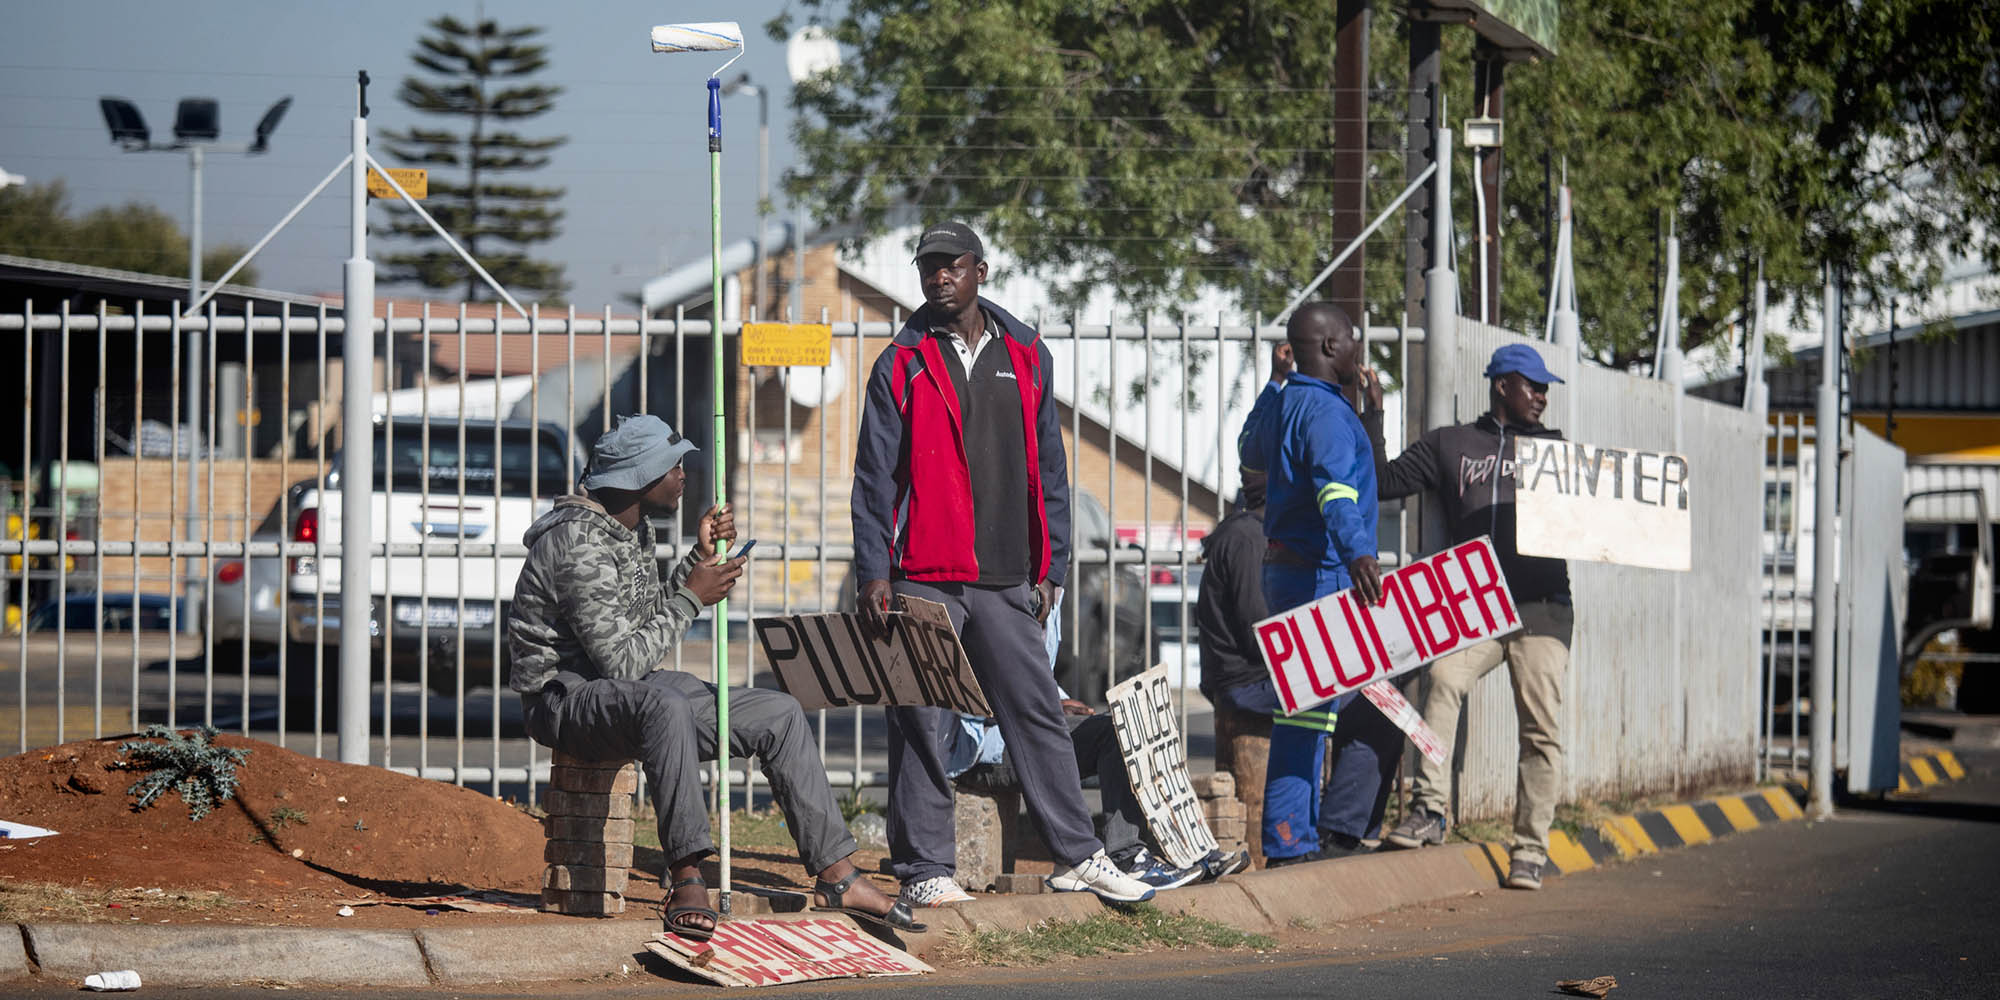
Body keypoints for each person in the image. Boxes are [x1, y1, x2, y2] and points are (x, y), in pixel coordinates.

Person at [508, 414, 923, 941]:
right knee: (666, 706)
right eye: (673, 464)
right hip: (566, 698)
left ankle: (837, 874)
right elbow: (623, 662)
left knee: (779, 713)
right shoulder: (578, 543)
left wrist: (696, 565)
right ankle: (686, 876)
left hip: (628, 690)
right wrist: (693, 597)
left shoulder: (630, 528)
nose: (684, 473)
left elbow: (640, 624)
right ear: (640, 476)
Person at [851, 220, 1156, 906]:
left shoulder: (1023, 352)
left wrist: (1051, 569)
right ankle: (925, 870)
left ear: (979, 271)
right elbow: (873, 480)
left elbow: (1049, 466)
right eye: (927, 266)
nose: (937, 277)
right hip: (922, 572)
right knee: (920, 719)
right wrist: (875, 570)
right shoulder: (899, 363)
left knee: (1035, 710)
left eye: (950, 265)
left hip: (1005, 575)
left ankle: (1078, 855)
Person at [1367, 343, 1575, 892]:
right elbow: (1384, 482)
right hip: (1476, 609)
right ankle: (1430, 811)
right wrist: (1372, 416)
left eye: (1544, 386)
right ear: (1502, 384)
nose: (1541, 395)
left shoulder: (1556, 452)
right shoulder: (1452, 443)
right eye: (1531, 384)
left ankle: (1529, 850)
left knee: (1540, 728)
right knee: (1442, 679)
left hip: (1543, 609)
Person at [1238, 302, 1401, 866]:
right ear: (1331, 346)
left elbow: (1248, 450)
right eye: (1353, 338)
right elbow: (1337, 492)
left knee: (1309, 712)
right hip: (1322, 572)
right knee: (1306, 716)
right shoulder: (1329, 414)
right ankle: (1290, 844)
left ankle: (1301, 838)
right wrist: (1359, 553)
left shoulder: (1285, 402)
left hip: (1288, 569)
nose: (1359, 348)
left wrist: (1275, 381)